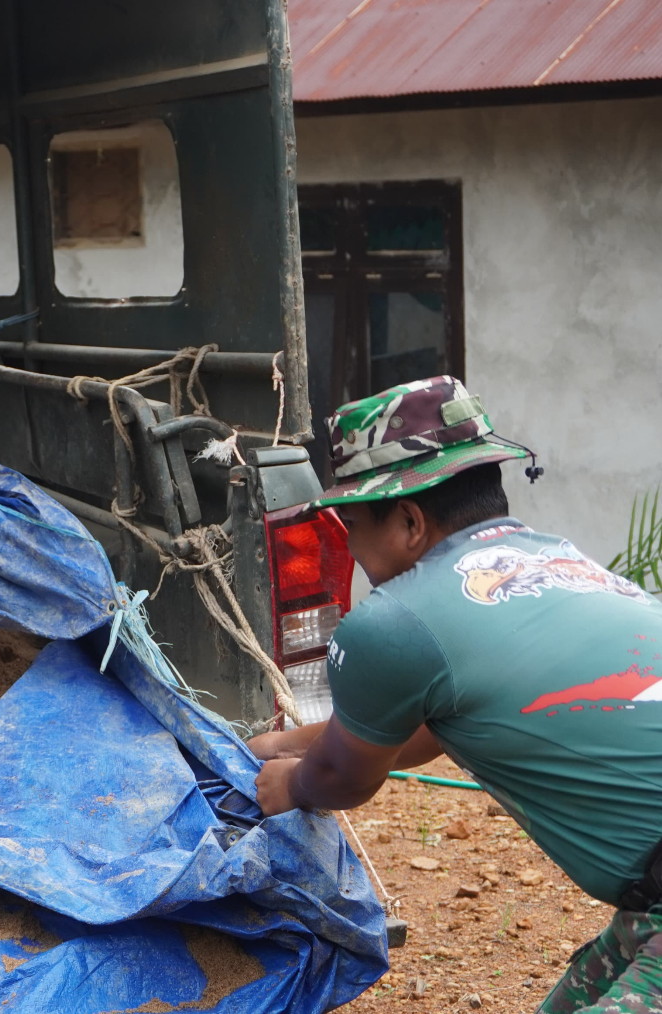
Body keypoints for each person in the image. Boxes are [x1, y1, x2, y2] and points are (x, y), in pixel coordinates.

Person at [251, 375, 662, 1013]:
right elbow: (428, 726)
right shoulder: (558, 560)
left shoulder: (397, 620)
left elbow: (341, 778)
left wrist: (291, 784)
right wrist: (281, 743)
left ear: (409, 521)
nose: (351, 550)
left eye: (352, 525)